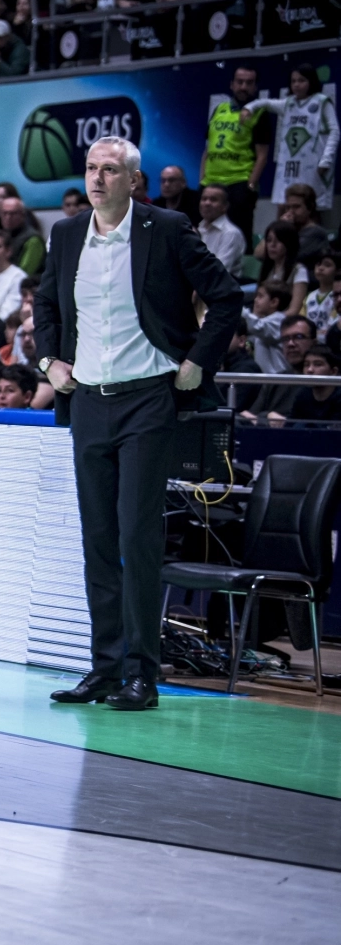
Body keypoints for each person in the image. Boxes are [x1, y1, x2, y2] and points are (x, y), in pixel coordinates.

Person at [36, 135, 241, 711]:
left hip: (149, 399)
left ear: (133, 180)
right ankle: (104, 668)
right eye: (91, 168)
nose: (97, 179)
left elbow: (226, 297)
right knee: (98, 539)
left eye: (110, 170)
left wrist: (197, 362)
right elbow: (45, 303)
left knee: (136, 537)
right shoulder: (66, 233)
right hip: (87, 401)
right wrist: (49, 361)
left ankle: (141, 674)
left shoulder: (167, 228)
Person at [202, 67, 275, 242]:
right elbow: (207, 149)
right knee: (204, 234)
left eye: (249, 83)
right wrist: (201, 179)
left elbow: (262, 156)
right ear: (232, 84)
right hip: (210, 181)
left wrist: (250, 186)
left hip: (238, 182)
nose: (243, 87)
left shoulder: (259, 114)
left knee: (240, 237)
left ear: (255, 87)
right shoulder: (219, 109)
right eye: (239, 82)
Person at [253, 65, 338, 212]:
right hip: (288, 166)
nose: (296, 84)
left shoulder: (322, 102)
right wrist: (248, 108)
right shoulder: (288, 103)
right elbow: (264, 103)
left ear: (311, 81)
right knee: (283, 205)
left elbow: (334, 131)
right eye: (293, 81)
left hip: (311, 165)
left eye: (301, 80)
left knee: (308, 207)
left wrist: (326, 160)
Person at [283, 347, 341, 423]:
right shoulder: (303, 394)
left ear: (333, 371)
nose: (310, 370)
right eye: (306, 365)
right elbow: (290, 426)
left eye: (318, 364)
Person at [195, 184, 244, 273]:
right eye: (204, 199)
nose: (207, 203)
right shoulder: (198, 229)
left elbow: (219, 270)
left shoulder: (231, 233)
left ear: (225, 206)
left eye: (213, 200)